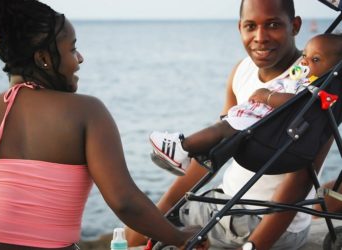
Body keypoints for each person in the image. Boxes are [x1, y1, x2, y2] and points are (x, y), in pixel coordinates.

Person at [0, 1, 207, 249]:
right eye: (72, 49)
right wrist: (179, 237)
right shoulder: (87, 112)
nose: (80, 58)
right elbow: (124, 201)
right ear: (43, 58)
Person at [126, 0, 337, 249]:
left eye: (273, 25)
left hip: (268, 219)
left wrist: (255, 245)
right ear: (240, 28)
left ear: (295, 26)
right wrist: (166, 204)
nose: (260, 37)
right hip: (228, 201)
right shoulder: (242, 71)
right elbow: (216, 150)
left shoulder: (313, 84)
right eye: (250, 26)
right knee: (134, 234)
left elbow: (300, 181)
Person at [149, 33, 342, 176]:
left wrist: (267, 96)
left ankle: (182, 146)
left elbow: (296, 104)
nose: (306, 62)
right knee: (223, 129)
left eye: (315, 59)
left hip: (270, 136)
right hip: (265, 127)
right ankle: (188, 157)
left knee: (221, 129)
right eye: (305, 55)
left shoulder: (318, 90)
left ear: (334, 70)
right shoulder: (307, 79)